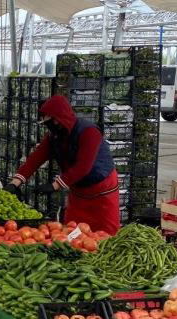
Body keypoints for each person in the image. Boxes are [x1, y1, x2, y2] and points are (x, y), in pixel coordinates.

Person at [9, 94, 120, 235]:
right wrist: (15, 182)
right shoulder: (54, 136)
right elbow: (35, 159)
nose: (47, 124)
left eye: (49, 120)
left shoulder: (89, 132)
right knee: (73, 233)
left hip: (102, 191)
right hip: (78, 193)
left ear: (60, 117)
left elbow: (83, 167)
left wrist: (55, 185)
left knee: (106, 233)